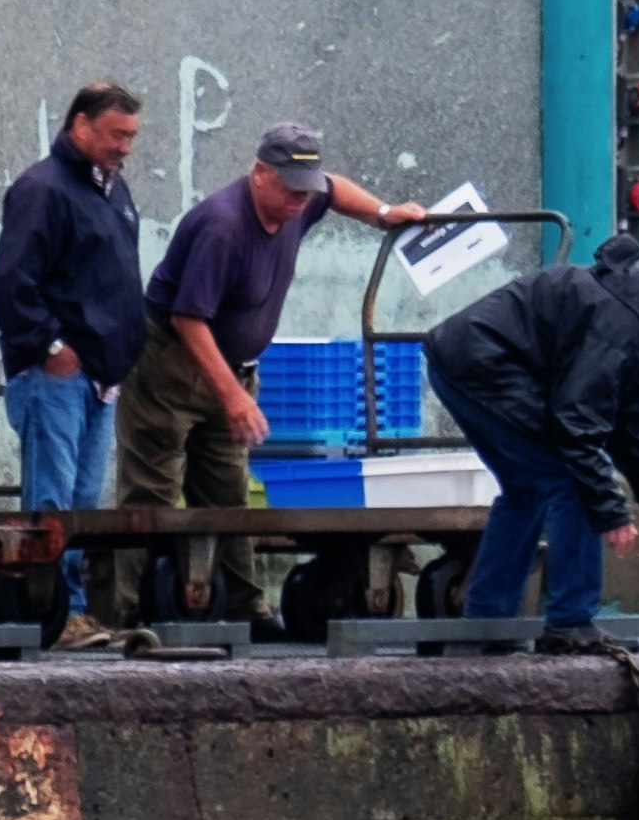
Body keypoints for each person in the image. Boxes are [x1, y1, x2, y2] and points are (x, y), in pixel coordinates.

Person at [117, 118, 424, 625]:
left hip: (231, 366)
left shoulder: (300, 200)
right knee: (152, 490)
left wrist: (384, 214)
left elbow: (333, 189)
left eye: (305, 192)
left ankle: (243, 607)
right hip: (171, 366)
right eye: (288, 191)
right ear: (258, 172)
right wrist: (233, 396)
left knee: (227, 493)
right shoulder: (222, 226)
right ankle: (129, 614)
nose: (299, 203)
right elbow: (188, 319)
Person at [420, 237, 639, 641]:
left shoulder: (636, 319)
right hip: (483, 366)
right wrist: (610, 511)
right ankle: (570, 622)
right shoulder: (622, 323)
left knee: (527, 489)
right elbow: (576, 423)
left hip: (461, 361)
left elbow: (629, 419)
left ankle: (487, 622)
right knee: (572, 480)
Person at [0, 83, 143, 624]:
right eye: (115, 134)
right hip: (56, 376)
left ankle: (67, 613)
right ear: (80, 126)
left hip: (100, 379)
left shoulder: (115, 193)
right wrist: (53, 348)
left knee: (80, 506)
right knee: (51, 504)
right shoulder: (42, 189)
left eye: (131, 136)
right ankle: (50, 616)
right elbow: (8, 283)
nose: (125, 146)